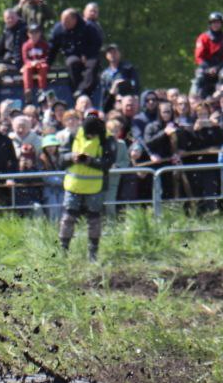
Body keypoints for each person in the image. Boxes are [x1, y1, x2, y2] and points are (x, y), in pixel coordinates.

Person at [58, 113, 114, 261]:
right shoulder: (73, 135)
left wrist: (91, 161)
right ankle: (63, 252)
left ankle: (93, 254)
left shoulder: (107, 139)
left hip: (96, 187)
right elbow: (61, 158)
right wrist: (71, 157)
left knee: (94, 220)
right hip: (73, 185)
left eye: (92, 135)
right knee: (68, 218)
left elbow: (108, 162)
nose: (90, 136)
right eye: (88, 134)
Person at [49, 8, 102, 99]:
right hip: (72, 54)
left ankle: (84, 91)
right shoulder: (59, 29)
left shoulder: (88, 27)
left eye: (66, 21)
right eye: (62, 21)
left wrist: (86, 54)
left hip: (89, 54)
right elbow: (53, 48)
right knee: (72, 63)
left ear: (74, 19)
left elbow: (97, 43)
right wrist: (48, 62)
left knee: (92, 65)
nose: (64, 23)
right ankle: (77, 91)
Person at [193, 12, 223, 99]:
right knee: (199, 76)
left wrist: (217, 68)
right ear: (210, 24)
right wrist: (208, 68)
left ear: (222, 24)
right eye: (213, 22)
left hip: (221, 66)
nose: (215, 25)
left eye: (218, 23)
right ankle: (196, 98)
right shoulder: (203, 37)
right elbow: (199, 56)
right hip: (205, 66)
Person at [0, 8, 27, 92]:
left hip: (19, 62)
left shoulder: (24, 30)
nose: (10, 20)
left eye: (12, 17)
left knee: (0, 68)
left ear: (17, 17)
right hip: (7, 60)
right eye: (8, 18)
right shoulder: (7, 31)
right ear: (4, 20)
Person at [99, 44, 140, 113]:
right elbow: (103, 94)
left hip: (127, 104)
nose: (112, 55)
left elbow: (135, 86)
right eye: (110, 53)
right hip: (111, 105)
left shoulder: (128, 69)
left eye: (114, 52)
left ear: (119, 54)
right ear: (106, 55)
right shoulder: (104, 74)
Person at [21, 23, 50, 105]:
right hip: (30, 64)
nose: (34, 35)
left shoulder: (44, 44)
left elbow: (47, 57)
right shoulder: (26, 45)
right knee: (26, 68)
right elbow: (25, 59)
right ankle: (28, 91)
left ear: (40, 33)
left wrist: (40, 61)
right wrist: (31, 63)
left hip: (40, 64)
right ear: (28, 34)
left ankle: (42, 90)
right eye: (32, 33)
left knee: (44, 67)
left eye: (36, 32)